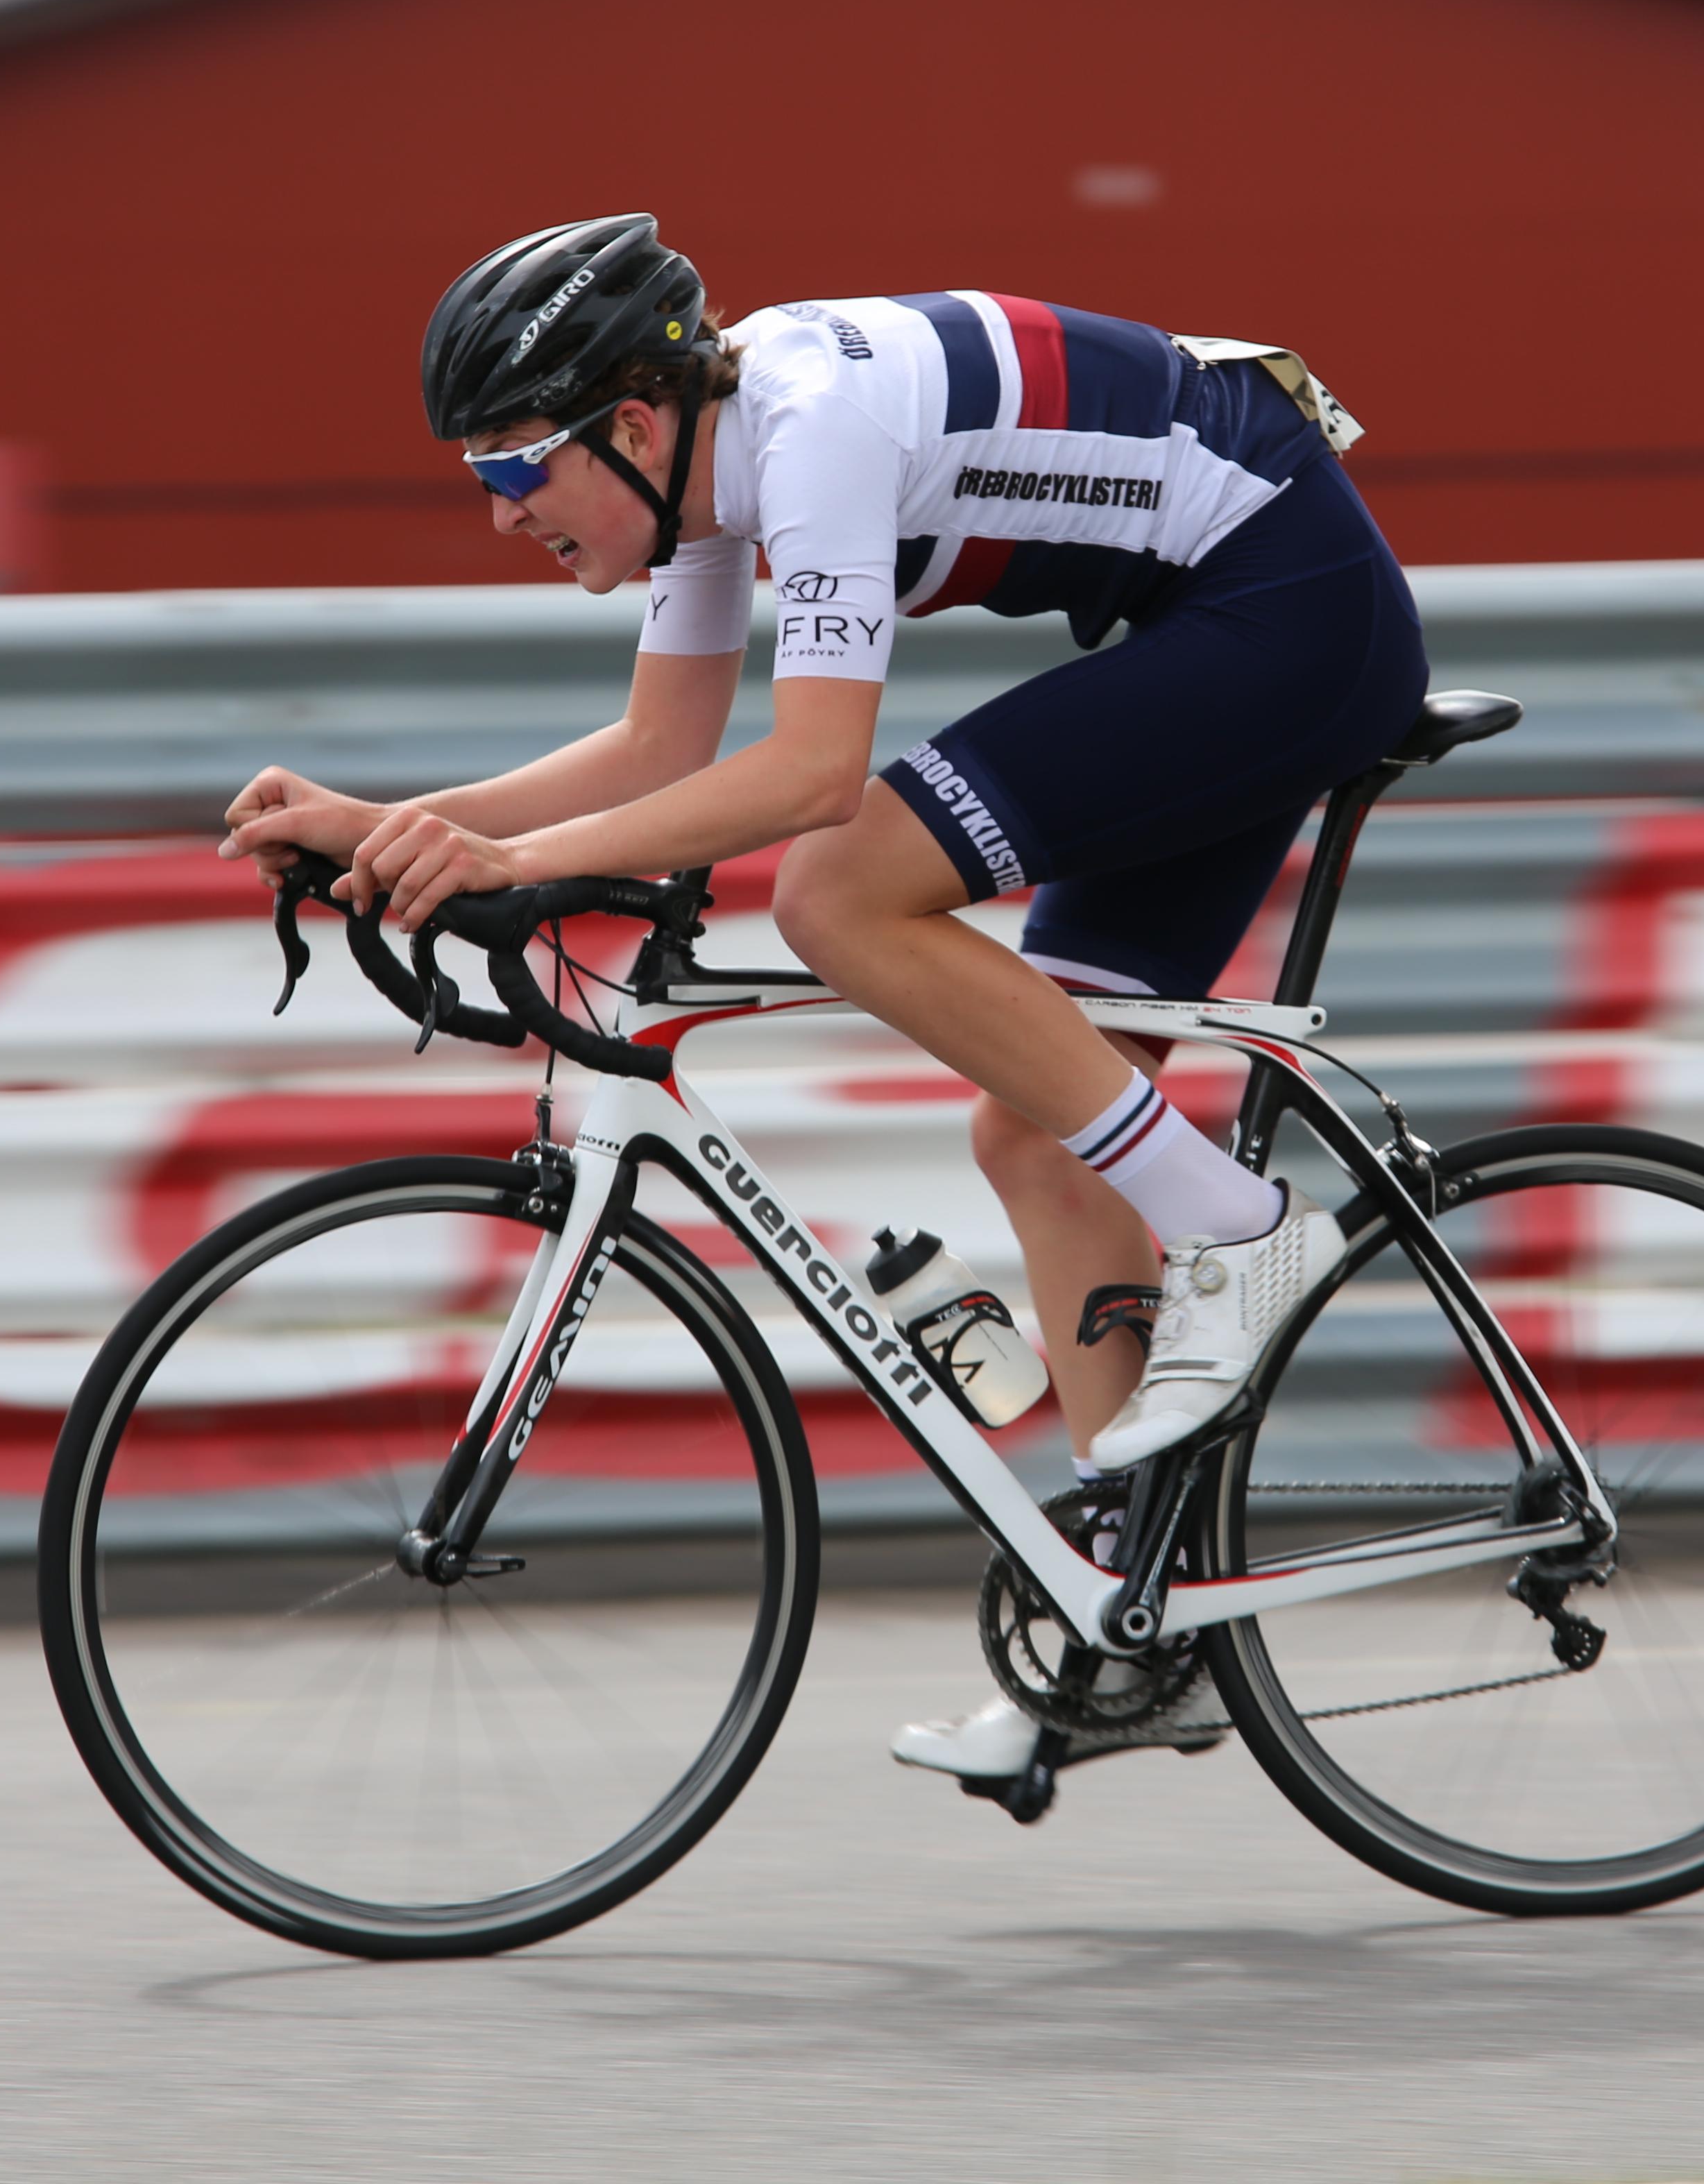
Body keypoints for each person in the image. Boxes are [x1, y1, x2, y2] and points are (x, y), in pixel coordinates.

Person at [220, 213, 1429, 1786]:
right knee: (1039, 1135)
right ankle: (1138, 1632)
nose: (503, 512)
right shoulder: (704, 476)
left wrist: (513, 865)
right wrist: (399, 830)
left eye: (515, 468)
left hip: (1290, 611)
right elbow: (658, 754)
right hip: (1218, 619)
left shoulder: (811, 431)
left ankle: (1244, 1233)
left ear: (630, 427)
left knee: (838, 887)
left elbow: (810, 775)